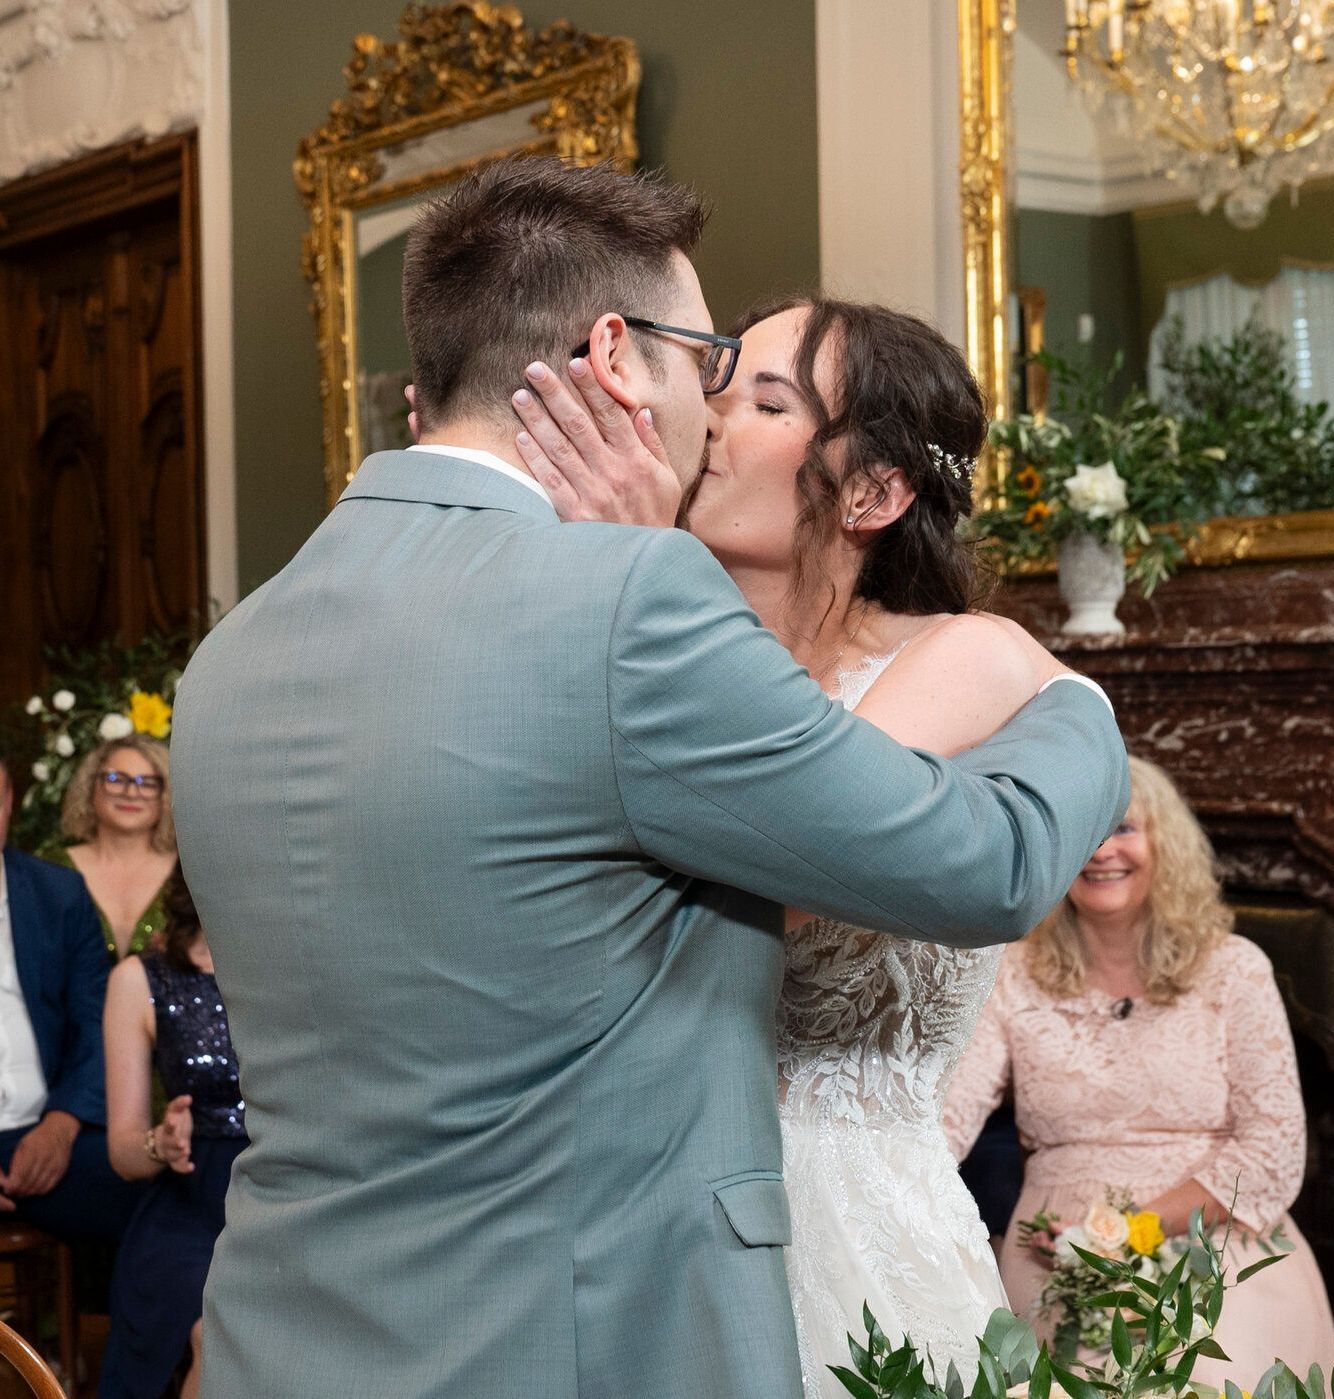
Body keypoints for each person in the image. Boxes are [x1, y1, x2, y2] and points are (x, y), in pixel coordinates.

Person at [171, 157, 1129, 1399]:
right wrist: (1078, 702)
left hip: (285, 1342)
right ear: (619, 356)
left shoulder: (233, 651)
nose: (713, 412)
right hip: (572, 1346)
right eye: (705, 361)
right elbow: (989, 863)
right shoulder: (628, 602)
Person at [509, 295, 1103, 1387]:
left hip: (841, 1228)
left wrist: (640, 562)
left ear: (876, 490)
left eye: (765, 400)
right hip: (632, 1221)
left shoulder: (970, 658)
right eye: (713, 390)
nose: (708, 421)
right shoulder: (653, 661)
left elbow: (768, 858)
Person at [940, 755, 1334, 1387]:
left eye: (1123, 828)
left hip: (1217, 1244)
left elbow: (1274, 1148)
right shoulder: (1010, 974)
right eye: (1085, 834)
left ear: (1166, 844)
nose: (1102, 852)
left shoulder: (1235, 969)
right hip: (1057, 1256)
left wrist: (1128, 1234)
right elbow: (945, 1121)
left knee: (1211, 1370)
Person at [100, 861, 248, 1399]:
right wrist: (159, 1145)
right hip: (190, 1200)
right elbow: (122, 1150)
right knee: (211, 1330)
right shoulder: (139, 979)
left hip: (283, 1188)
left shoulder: (294, 967)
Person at [0, 757, 143, 1246]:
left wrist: (63, 1124)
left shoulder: (54, 893)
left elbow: (97, 1021)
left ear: (9, 801)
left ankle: (143, 1326)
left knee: (160, 1200)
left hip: (44, 1132)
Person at [54, 736, 177, 959]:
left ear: (165, 794)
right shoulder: (50, 868)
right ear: (90, 786)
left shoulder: (187, 874)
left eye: (148, 783)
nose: (130, 793)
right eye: (116, 779)